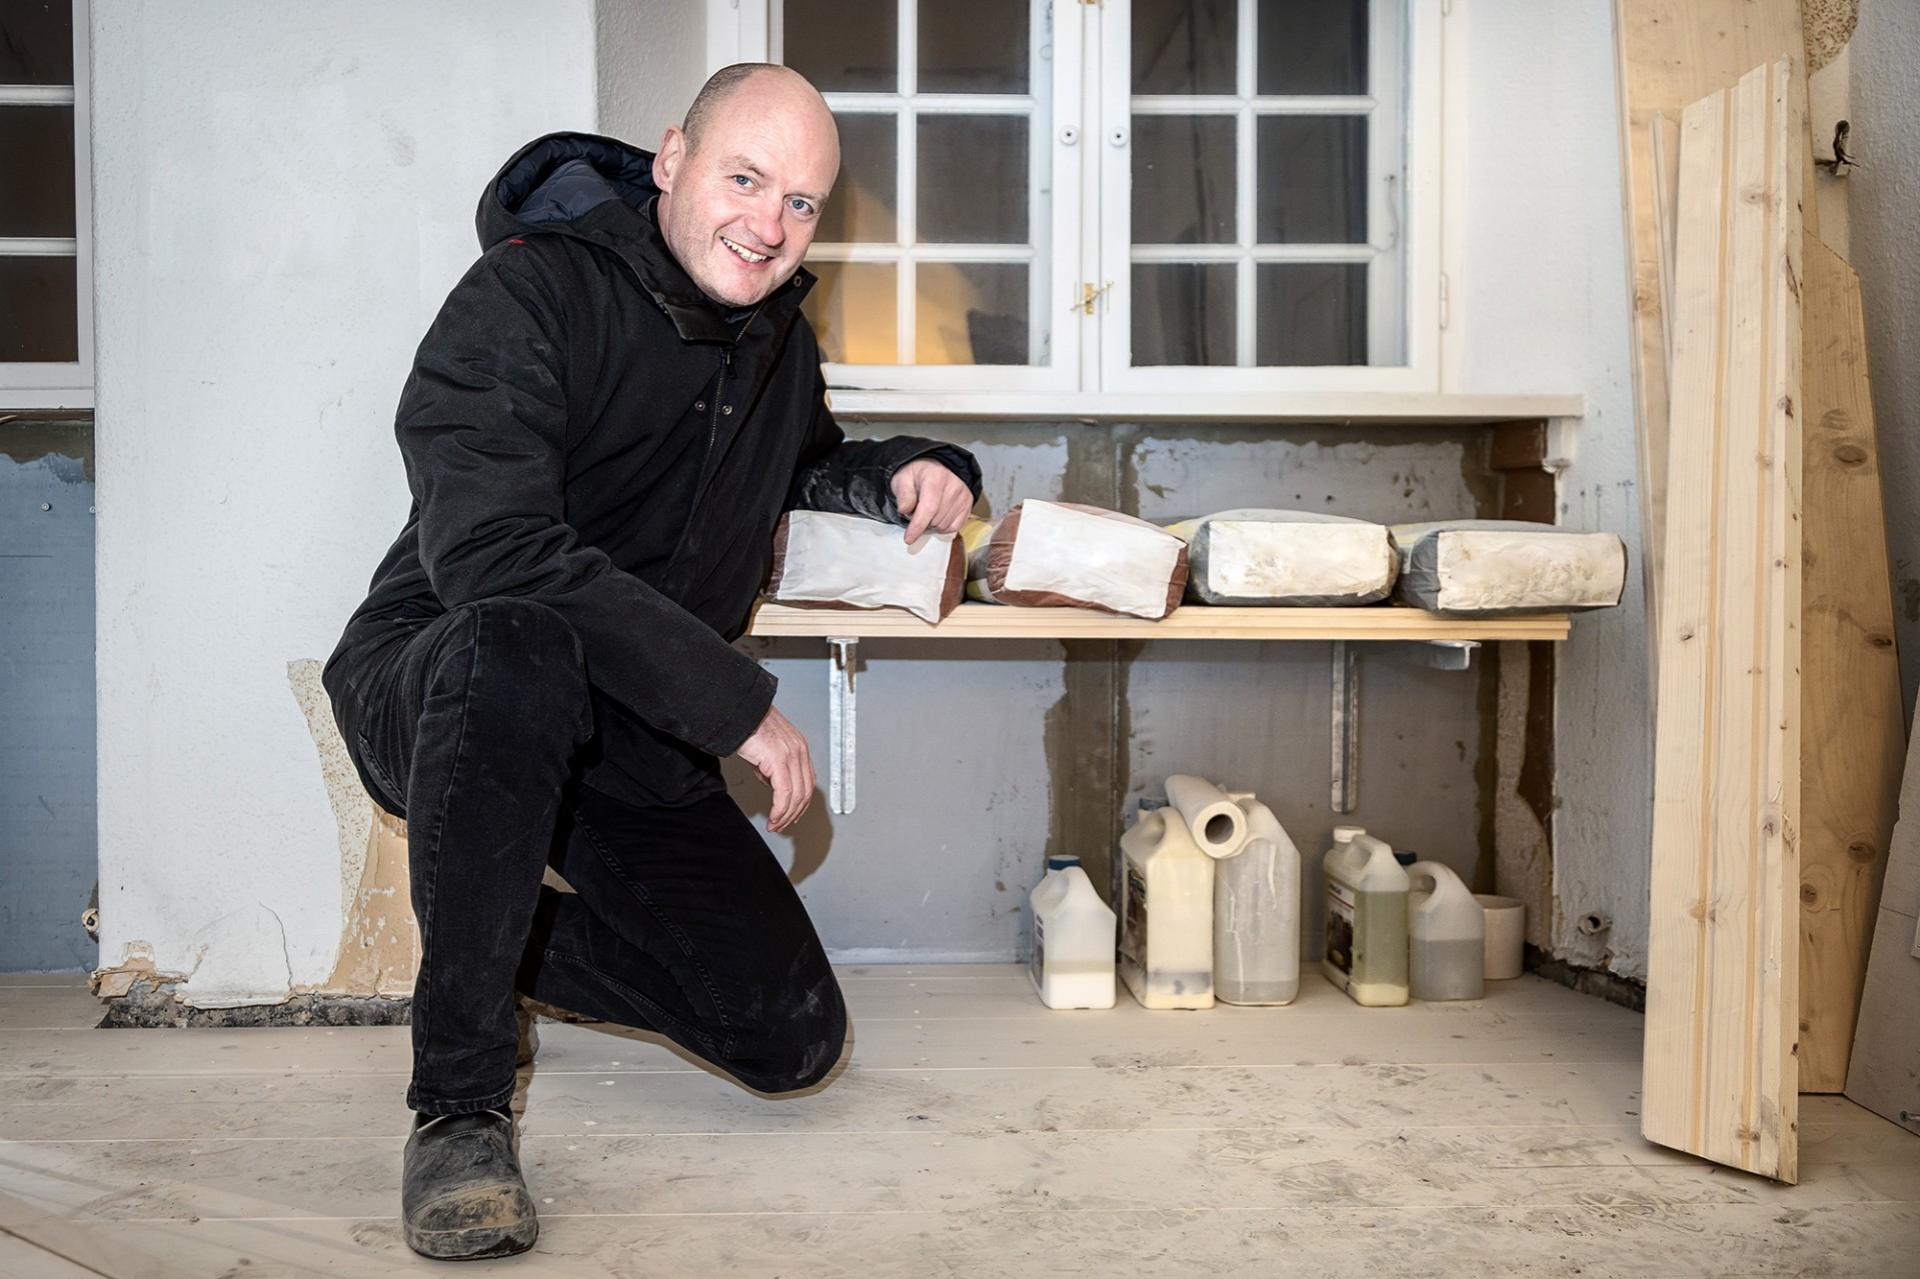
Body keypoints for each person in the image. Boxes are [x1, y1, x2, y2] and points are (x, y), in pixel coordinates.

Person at [322, 64, 981, 1261]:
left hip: (625, 722)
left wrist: (908, 467)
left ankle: (500, 932)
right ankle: (460, 1108)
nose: (770, 225)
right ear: (671, 159)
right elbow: (497, 553)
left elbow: (801, 462)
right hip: (451, 682)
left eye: (802, 203)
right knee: (521, 639)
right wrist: (735, 705)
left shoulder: (775, 344)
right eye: (745, 179)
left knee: (788, 1038)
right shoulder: (528, 294)